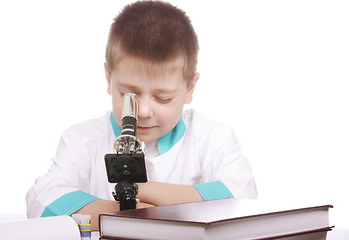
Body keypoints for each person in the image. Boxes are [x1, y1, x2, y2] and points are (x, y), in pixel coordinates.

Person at [26, 0, 257, 230]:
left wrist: (141, 196)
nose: (143, 112)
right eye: (128, 94)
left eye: (163, 98)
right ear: (109, 79)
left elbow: (243, 200)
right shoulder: (82, 139)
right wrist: (134, 216)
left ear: (190, 89)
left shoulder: (214, 139)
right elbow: (42, 201)